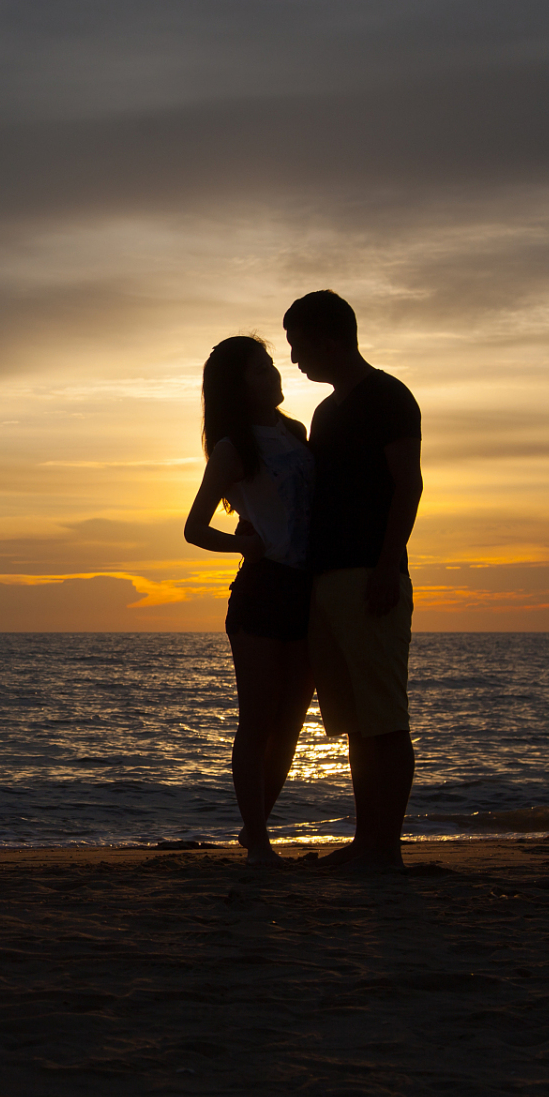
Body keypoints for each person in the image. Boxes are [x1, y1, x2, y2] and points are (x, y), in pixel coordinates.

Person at [283, 290, 422, 872]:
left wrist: (388, 567)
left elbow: (407, 485)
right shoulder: (327, 411)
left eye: (298, 345)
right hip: (327, 577)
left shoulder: (388, 397)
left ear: (328, 340)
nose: (295, 360)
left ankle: (383, 847)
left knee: (383, 717)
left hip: (370, 573)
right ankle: (369, 843)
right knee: (353, 720)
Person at [184, 335, 316, 866]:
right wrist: (245, 543)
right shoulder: (233, 448)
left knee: (291, 720)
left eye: (271, 366)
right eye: (260, 371)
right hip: (262, 590)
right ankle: (258, 838)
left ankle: (256, 825)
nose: (274, 376)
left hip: (308, 588)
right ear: (238, 387)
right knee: (258, 717)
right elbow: (195, 528)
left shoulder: (296, 433)